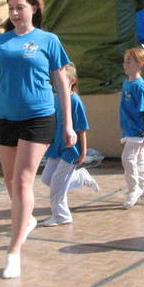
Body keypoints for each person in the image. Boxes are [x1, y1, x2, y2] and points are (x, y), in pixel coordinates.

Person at [0, 0, 76, 279]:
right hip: (8, 119)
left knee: (22, 183)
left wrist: (68, 124)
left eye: (21, 7)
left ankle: (13, 251)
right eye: (11, 8)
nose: (16, 13)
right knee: (10, 182)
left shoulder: (48, 40)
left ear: (34, 8)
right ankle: (27, 219)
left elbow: (62, 84)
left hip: (39, 117)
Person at [40, 63, 100, 227]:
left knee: (57, 184)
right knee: (47, 179)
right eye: (55, 78)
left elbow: (82, 129)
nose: (56, 81)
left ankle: (62, 216)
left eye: (61, 78)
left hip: (71, 149)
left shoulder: (75, 101)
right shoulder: (53, 98)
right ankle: (80, 178)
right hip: (56, 147)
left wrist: (83, 152)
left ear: (72, 81)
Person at [119, 47, 144, 209]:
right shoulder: (127, 82)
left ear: (140, 64)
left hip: (139, 130)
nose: (125, 64)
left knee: (127, 158)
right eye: (125, 60)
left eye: (130, 61)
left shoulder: (139, 86)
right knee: (139, 158)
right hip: (130, 128)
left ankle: (133, 189)